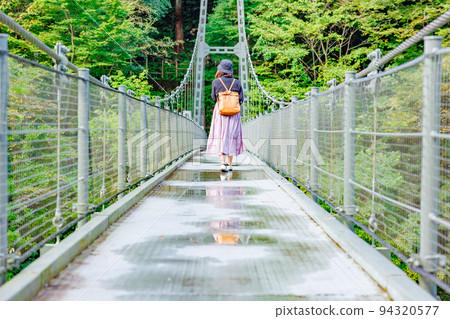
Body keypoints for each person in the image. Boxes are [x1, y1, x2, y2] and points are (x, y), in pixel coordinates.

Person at [206, 59, 245, 172]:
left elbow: (214, 98)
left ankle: (223, 163)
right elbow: (241, 99)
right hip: (234, 114)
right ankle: (230, 164)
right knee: (232, 137)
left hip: (220, 112)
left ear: (221, 70)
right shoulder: (237, 82)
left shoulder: (216, 82)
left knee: (221, 136)